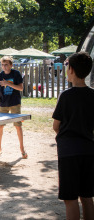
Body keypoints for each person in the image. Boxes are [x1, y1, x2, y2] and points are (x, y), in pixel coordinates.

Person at [52, 52, 94, 220]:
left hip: (68, 153)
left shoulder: (65, 96)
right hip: (89, 151)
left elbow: (56, 126)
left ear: (72, 70)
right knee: (87, 197)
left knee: (70, 199)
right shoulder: (93, 95)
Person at [0, 56, 28, 159]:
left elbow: (20, 88)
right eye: (2, 64)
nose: (4, 66)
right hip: (3, 104)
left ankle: (22, 149)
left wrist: (7, 83)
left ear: (11, 65)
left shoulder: (16, 74)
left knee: (18, 126)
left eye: (6, 64)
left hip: (15, 103)